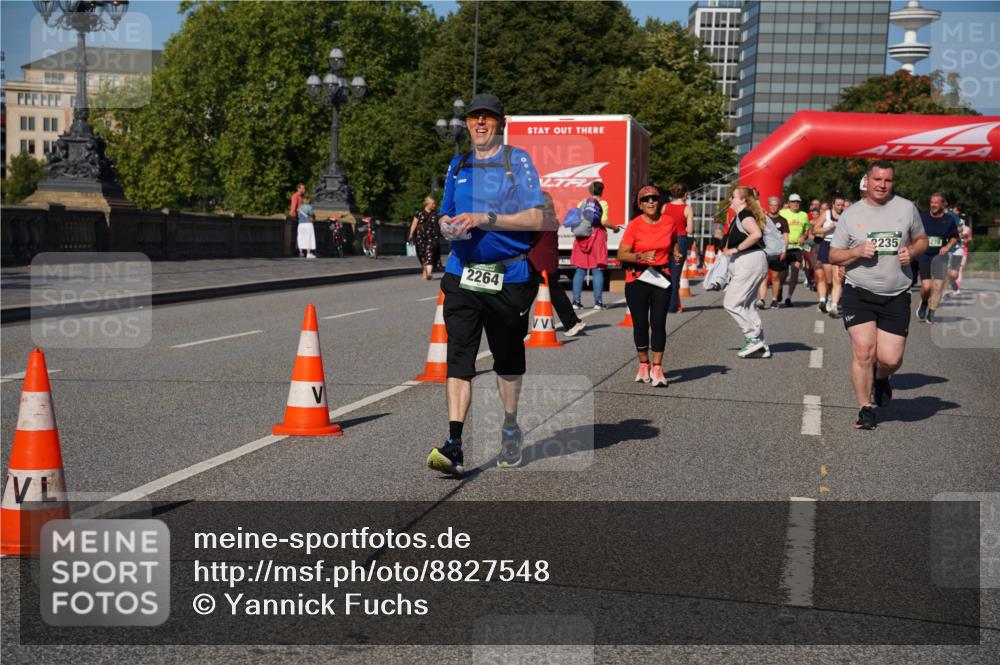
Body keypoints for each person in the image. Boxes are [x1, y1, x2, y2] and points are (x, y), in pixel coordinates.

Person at [426, 93, 551, 475]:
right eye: (474, 117)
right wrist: (447, 226)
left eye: (487, 117)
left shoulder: (517, 162)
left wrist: (485, 218)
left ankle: (510, 426)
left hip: (508, 277)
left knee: (507, 360)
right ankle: (454, 443)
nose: (480, 122)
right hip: (463, 273)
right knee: (459, 358)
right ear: (467, 123)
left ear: (501, 122)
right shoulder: (458, 164)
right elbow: (446, 213)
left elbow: (535, 218)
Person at [829, 159, 928, 430]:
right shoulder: (851, 214)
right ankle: (865, 409)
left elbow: (922, 240)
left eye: (887, 180)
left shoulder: (906, 208)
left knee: (890, 359)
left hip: (896, 294)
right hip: (859, 292)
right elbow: (834, 255)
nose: (882, 185)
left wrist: (913, 252)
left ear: (892, 182)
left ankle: (882, 377)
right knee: (863, 351)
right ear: (868, 180)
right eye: (877, 179)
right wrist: (856, 252)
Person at [618, 185, 682, 386]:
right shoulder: (635, 225)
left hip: (661, 277)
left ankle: (657, 368)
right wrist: (641, 256)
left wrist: (675, 251)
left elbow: (673, 240)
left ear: (659, 201)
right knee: (640, 325)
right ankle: (643, 364)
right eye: (646, 199)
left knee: (658, 322)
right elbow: (621, 254)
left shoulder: (669, 222)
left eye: (654, 198)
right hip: (637, 279)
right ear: (640, 205)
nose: (651, 202)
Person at [722, 186, 770, 358]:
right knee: (747, 305)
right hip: (752, 261)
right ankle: (760, 344)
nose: (730, 200)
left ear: (743, 200)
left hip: (749, 261)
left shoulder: (744, 214)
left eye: (733, 196)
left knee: (731, 303)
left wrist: (736, 249)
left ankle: (753, 338)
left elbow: (755, 234)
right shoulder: (740, 215)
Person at [530, 192, 586, 337]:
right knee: (554, 293)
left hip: (538, 263)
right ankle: (573, 322)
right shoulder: (551, 219)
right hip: (547, 261)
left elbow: (529, 239)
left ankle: (573, 322)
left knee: (535, 295)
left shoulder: (540, 220)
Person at [571, 181, 618, 310]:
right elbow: (603, 221)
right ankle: (598, 302)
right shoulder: (603, 203)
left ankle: (576, 301)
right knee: (597, 269)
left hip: (582, 237)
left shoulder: (582, 203)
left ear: (590, 191)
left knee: (580, 269)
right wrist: (615, 228)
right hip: (596, 237)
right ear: (602, 191)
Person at [915, 192, 960, 324]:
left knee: (939, 286)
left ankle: (931, 312)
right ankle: (924, 302)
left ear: (943, 204)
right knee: (927, 287)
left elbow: (954, 237)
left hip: (940, 256)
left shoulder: (949, 220)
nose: (933, 205)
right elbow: (912, 232)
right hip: (924, 255)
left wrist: (948, 246)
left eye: (936, 202)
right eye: (931, 202)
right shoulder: (922, 217)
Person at [660, 183, 694, 314]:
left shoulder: (665, 207)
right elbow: (689, 229)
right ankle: (672, 306)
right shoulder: (687, 208)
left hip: (665, 240)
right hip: (680, 241)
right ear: (685, 194)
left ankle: (661, 303)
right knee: (675, 275)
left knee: (664, 273)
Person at [813, 196, 846, 317]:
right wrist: (828, 228)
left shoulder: (846, 215)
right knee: (829, 279)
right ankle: (829, 297)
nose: (840, 207)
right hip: (826, 244)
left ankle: (834, 306)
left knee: (837, 278)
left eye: (842, 205)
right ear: (833, 204)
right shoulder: (826, 214)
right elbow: (815, 229)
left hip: (839, 245)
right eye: (838, 205)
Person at [756, 195, 789, 308]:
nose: (774, 207)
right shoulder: (763, 219)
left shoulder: (783, 221)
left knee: (775, 277)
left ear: (779, 207)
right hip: (764, 251)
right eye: (772, 205)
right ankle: (761, 299)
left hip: (777, 252)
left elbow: (785, 237)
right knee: (763, 276)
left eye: (776, 205)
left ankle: (774, 300)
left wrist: (784, 250)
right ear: (769, 206)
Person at [779, 194, 810, 307]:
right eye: (793, 202)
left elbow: (807, 230)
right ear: (789, 203)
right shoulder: (782, 213)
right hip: (784, 246)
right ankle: (779, 288)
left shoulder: (804, 215)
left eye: (797, 202)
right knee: (783, 273)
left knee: (795, 268)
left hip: (797, 247)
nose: (796, 204)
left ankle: (789, 297)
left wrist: (804, 236)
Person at [409, 196, 441, 280]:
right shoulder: (419, 213)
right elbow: (414, 224)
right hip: (420, 237)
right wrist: (411, 234)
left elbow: (439, 225)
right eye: (433, 203)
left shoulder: (435, 214)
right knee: (422, 254)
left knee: (429, 253)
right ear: (427, 204)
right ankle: (424, 271)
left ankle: (429, 273)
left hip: (432, 237)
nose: (434, 205)